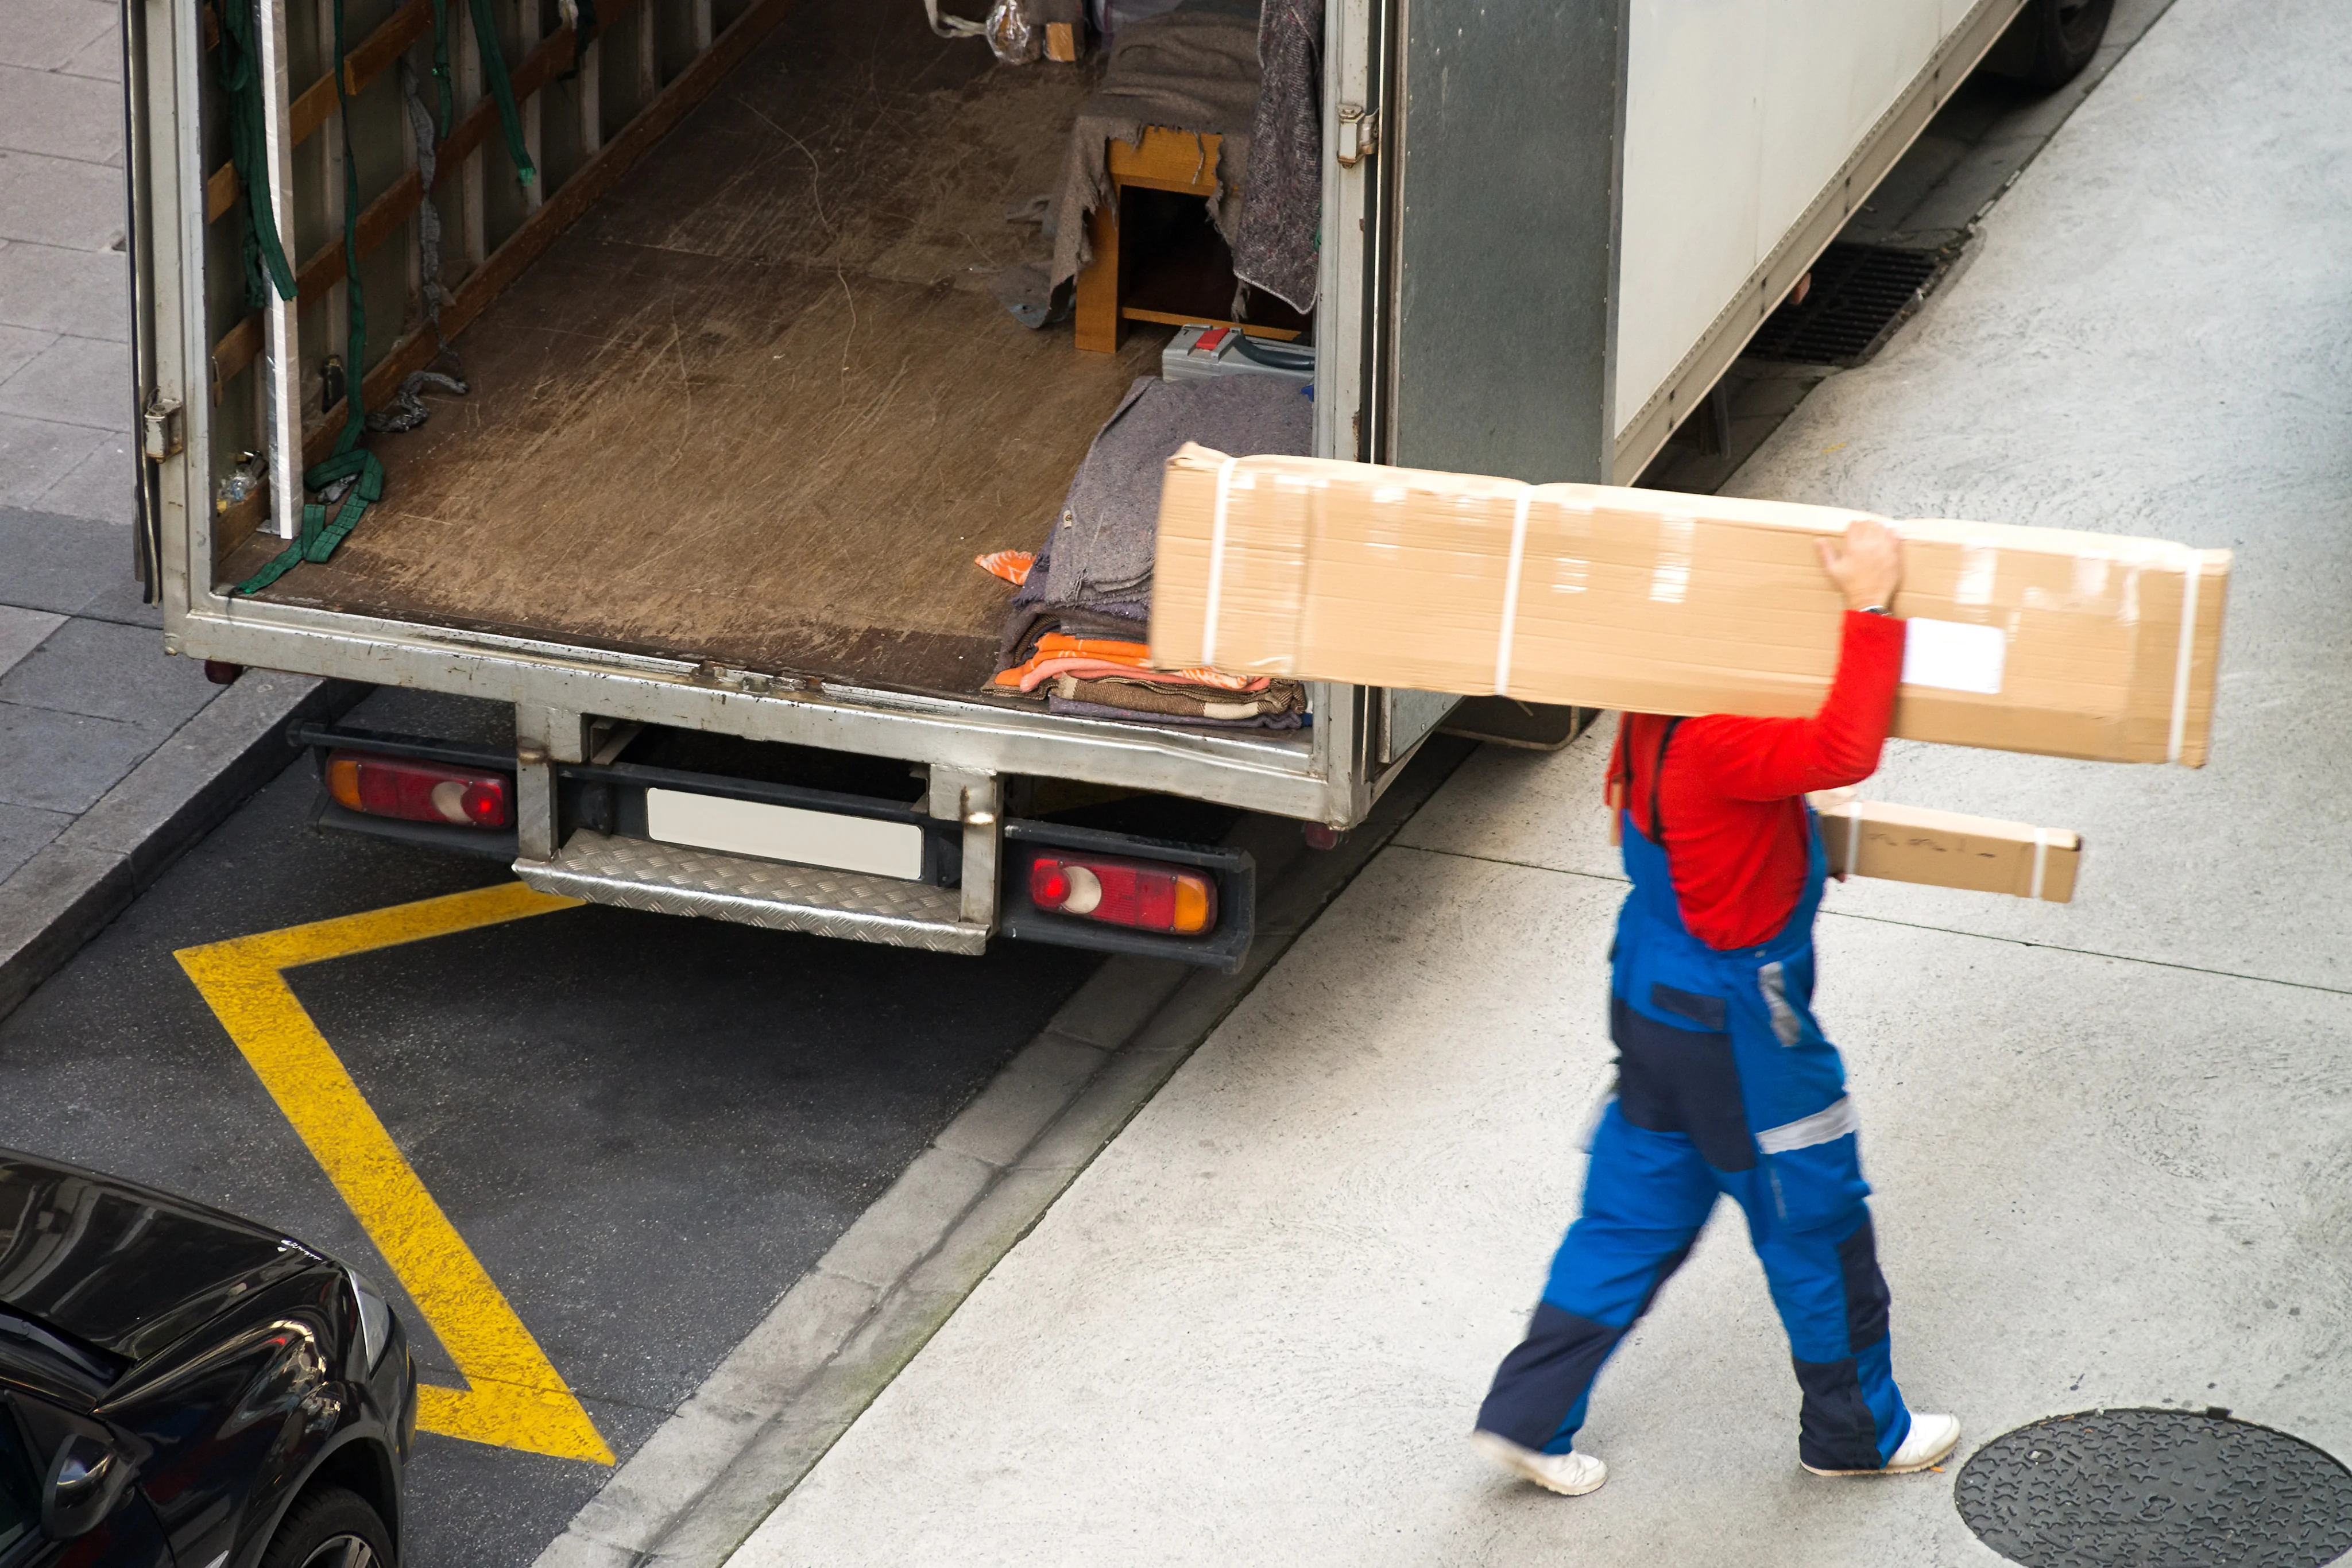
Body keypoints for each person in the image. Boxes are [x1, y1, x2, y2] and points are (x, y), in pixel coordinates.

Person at [1470, 517, 1958, 1497]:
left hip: (1652, 990)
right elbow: (1844, 744)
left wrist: (1783, 859)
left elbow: (1708, 821)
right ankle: (1856, 1430)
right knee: (1813, 1217)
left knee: (1631, 1210)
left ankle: (1528, 1415)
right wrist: (1866, 604)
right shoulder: (1724, 735)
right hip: (1737, 1026)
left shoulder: (1652, 716)